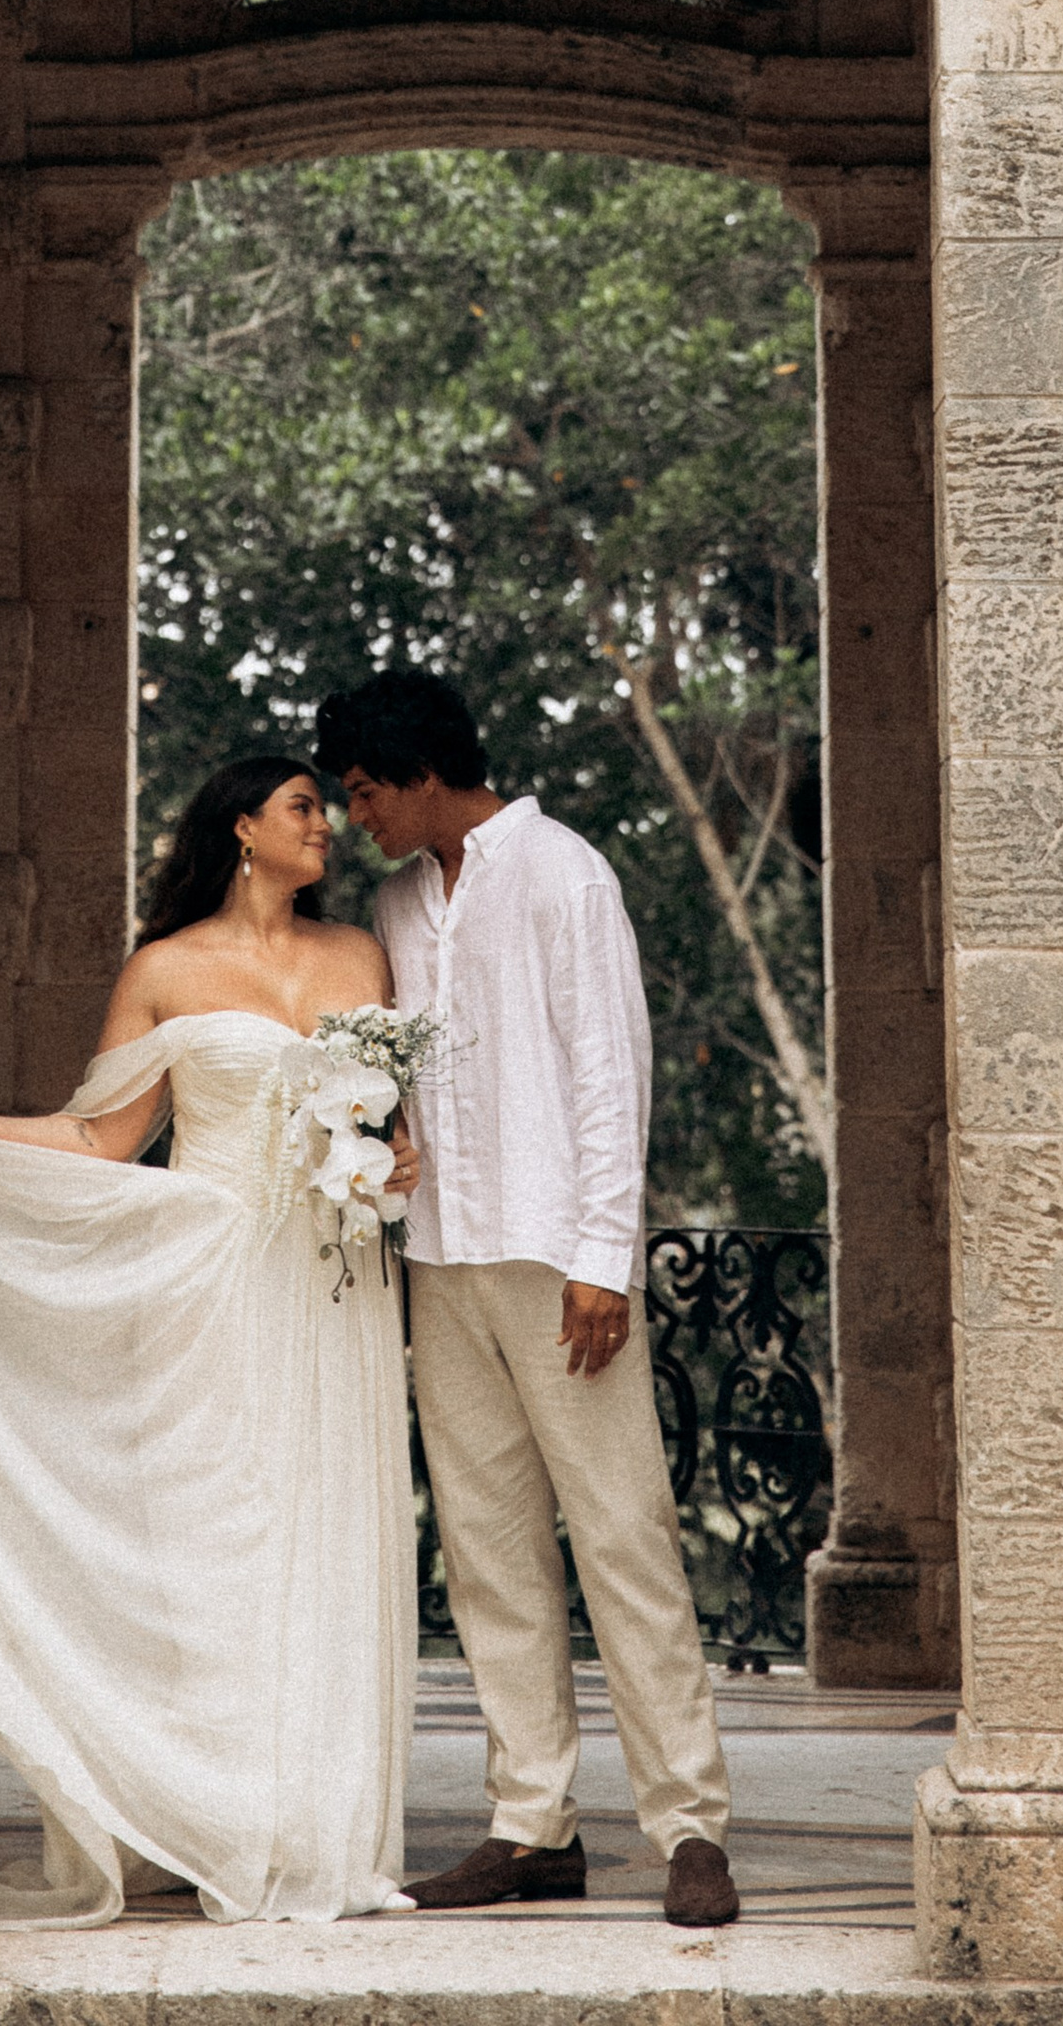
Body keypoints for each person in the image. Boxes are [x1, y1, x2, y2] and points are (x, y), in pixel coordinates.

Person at [0, 754, 419, 1926]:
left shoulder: (360, 959)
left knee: (330, 1531)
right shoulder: (165, 969)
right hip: (208, 1279)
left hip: (336, 1283)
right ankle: (212, 1814)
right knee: (217, 1540)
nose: (329, 828)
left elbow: (397, 1122)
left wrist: (398, 1157)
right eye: (305, 809)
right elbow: (100, 1142)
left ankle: (314, 1827)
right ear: (244, 828)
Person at [322, 668, 740, 1933]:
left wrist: (602, 1259)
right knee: (489, 1550)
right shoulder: (398, 903)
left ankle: (688, 1827)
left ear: (422, 771)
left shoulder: (566, 874)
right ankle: (529, 1824)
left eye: (362, 792)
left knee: (624, 1537)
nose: (354, 819)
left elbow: (610, 1074)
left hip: (562, 1265)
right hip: (440, 1261)